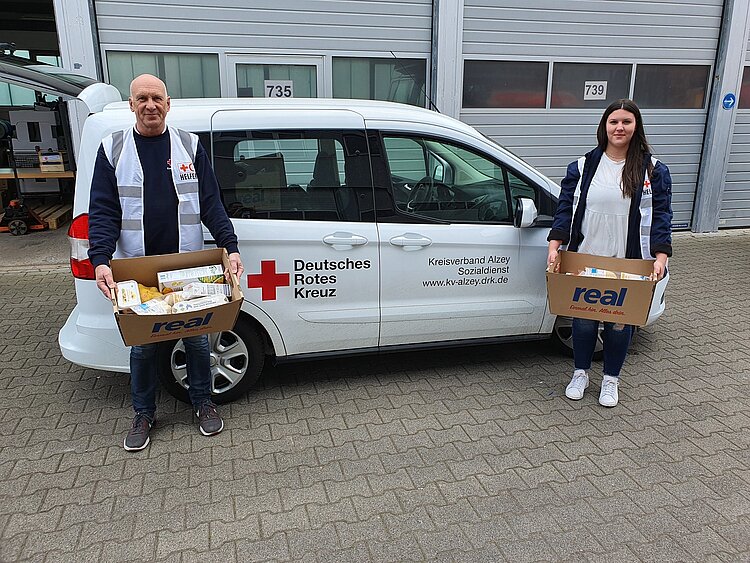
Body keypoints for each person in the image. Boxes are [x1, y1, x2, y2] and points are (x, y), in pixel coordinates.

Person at [88, 74, 244, 451]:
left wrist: (231, 247)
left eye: (156, 98)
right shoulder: (113, 148)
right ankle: (143, 413)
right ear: (132, 105)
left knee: (196, 338)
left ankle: (203, 404)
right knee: (142, 347)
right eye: (142, 98)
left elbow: (211, 203)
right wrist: (101, 259)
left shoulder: (189, 145)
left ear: (168, 103)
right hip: (136, 268)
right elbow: (103, 211)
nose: (150, 105)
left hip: (186, 267)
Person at [547, 99, 672, 407]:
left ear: (635, 127)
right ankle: (580, 373)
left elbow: (662, 215)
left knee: (619, 323)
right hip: (587, 256)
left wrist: (661, 255)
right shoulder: (583, 165)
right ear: (604, 126)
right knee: (584, 320)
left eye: (626, 122)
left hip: (628, 261)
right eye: (614, 121)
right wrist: (555, 244)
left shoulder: (653, 170)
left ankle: (610, 380)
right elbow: (565, 208)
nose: (619, 127)